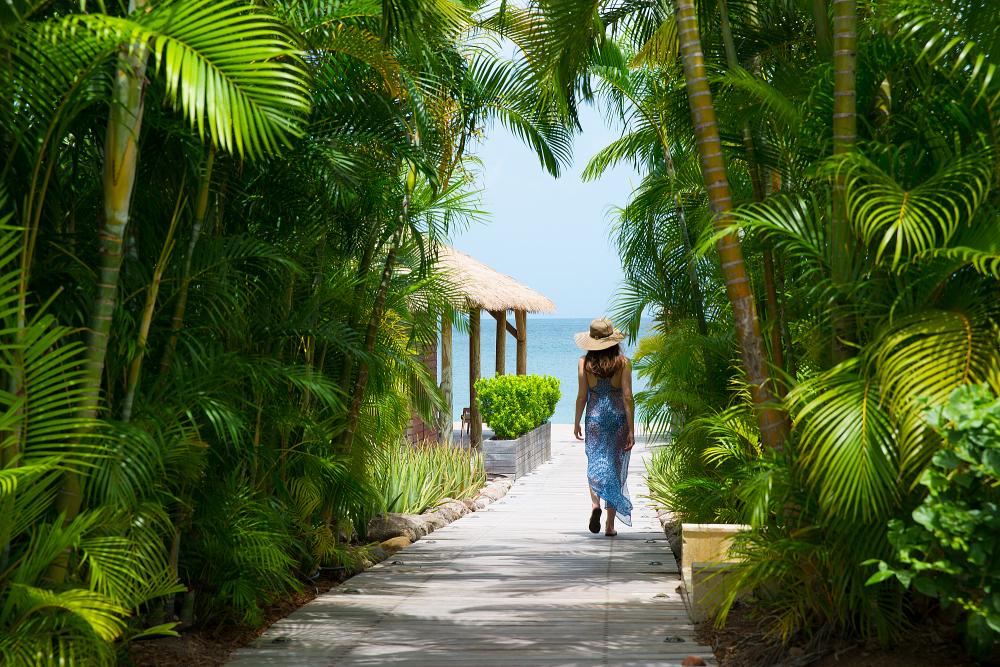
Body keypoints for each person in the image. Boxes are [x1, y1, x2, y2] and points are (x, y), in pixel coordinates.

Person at [573, 318, 635, 536]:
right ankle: (609, 526)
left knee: (596, 462)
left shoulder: (584, 363)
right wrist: (631, 429)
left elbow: (582, 396)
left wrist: (576, 421)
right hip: (618, 419)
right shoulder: (624, 362)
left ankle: (595, 505)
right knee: (615, 468)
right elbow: (627, 397)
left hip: (595, 419)